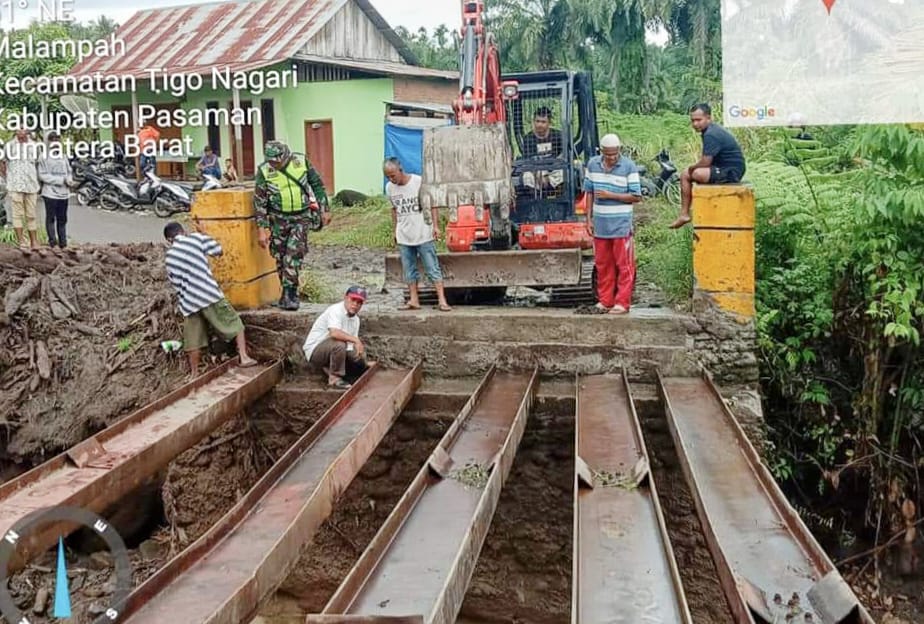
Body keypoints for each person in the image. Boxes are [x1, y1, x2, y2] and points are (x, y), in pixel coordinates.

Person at [163, 220, 257, 379]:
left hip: (189, 303)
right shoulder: (196, 239)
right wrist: (204, 233)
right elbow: (218, 250)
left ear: (168, 240)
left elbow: (176, 284)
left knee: (193, 340)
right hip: (209, 294)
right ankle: (244, 357)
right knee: (235, 324)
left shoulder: (169, 257)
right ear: (182, 231)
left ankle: (194, 374)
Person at [253, 141, 331, 311]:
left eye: (276, 161)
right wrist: (262, 228)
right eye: (271, 161)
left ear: (285, 156)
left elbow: (317, 185)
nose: (274, 164)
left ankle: (290, 294)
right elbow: (259, 202)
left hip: (300, 217)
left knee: (293, 256)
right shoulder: (264, 171)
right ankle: (285, 294)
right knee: (280, 258)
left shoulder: (301, 162)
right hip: (277, 219)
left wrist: (324, 209)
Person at [583, 133, 642, 314]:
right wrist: (588, 219)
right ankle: (605, 300)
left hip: (620, 225)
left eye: (614, 154)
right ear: (602, 152)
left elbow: (636, 196)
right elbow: (589, 193)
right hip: (601, 225)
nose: (611, 158)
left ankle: (622, 302)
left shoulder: (628, 167)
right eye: (608, 154)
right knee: (603, 264)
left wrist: (611, 196)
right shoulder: (593, 165)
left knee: (624, 265)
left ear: (619, 151)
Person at [383, 157, 452, 312]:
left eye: (393, 175)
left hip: (423, 233)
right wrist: (395, 230)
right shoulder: (390, 188)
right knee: (409, 269)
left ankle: (442, 300)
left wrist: (435, 226)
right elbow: (394, 210)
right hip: (404, 234)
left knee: (432, 266)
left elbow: (431, 204)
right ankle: (414, 300)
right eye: (388, 176)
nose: (391, 179)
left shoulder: (418, 182)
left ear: (400, 170)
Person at [670, 103, 746, 229]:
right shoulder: (710, 130)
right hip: (723, 168)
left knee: (693, 174)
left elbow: (705, 162)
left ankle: (684, 213)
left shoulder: (711, 133)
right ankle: (684, 214)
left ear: (709, 118)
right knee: (687, 174)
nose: (695, 124)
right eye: (693, 120)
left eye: (699, 120)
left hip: (731, 171)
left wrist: (692, 167)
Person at [302, 286, 370, 389]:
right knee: (339, 344)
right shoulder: (336, 310)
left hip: (332, 349)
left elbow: (350, 347)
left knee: (357, 360)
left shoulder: (355, 320)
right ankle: (334, 379)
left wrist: (362, 361)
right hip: (315, 350)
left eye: (359, 302)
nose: (355, 304)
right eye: (353, 300)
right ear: (345, 298)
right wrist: (356, 340)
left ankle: (335, 370)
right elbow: (334, 333)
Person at [0, 129, 41, 254]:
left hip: (31, 184)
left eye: (23, 129)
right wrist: (7, 177)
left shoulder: (34, 146)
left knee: (31, 214)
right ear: (16, 132)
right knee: (17, 214)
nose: (21, 132)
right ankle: (22, 242)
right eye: (18, 129)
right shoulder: (9, 146)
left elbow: (38, 162)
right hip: (15, 184)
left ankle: (34, 242)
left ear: (27, 131)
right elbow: (2, 161)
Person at [37, 132, 73, 250]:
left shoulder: (63, 156)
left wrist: (69, 180)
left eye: (57, 140)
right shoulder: (43, 157)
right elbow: (42, 175)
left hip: (64, 193)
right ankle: (53, 243)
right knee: (51, 218)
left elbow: (69, 171)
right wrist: (60, 180)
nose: (55, 142)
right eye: (52, 140)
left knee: (62, 219)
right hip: (50, 193)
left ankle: (63, 244)